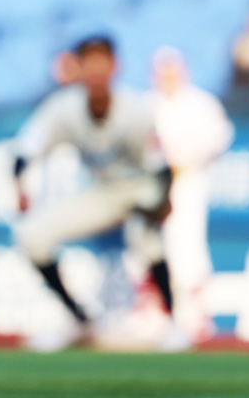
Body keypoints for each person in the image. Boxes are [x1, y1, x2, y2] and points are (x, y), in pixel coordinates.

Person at [11, 35, 176, 350]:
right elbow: (26, 148)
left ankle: (174, 324)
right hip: (104, 192)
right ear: (79, 68)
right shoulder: (64, 108)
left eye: (103, 63)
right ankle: (81, 321)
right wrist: (19, 184)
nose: (97, 72)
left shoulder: (135, 109)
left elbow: (161, 168)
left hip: (142, 188)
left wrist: (163, 202)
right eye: (90, 63)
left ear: (115, 67)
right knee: (31, 236)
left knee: (147, 239)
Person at [150, 46, 233, 341]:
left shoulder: (200, 103)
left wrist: (187, 160)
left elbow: (220, 136)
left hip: (188, 181)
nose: (167, 78)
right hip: (153, 186)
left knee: (188, 247)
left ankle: (196, 315)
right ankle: (159, 314)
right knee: (151, 248)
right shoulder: (148, 104)